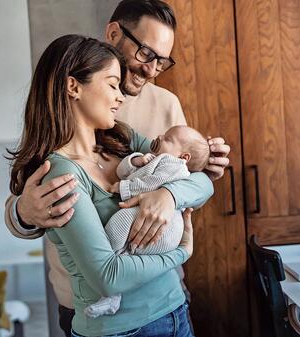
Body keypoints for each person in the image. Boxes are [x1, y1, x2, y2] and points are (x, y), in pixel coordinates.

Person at [4, 1, 230, 335]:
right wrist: (23, 211)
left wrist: (169, 194)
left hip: (170, 302)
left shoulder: (127, 130)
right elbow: (105, 273)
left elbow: (195, 180)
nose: (153, 69)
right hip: (105, 315)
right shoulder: (60, 158)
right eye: (146, 54)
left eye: (162, 61)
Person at [85, 125, 210, 318]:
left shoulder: (173, 165)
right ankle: (113, 295)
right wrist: (137, 160)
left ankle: (112, 289)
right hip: (156, 224)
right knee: (125, 247)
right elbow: (122, 170)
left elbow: (151, 184)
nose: (159, 136)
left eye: (168, 139)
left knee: (119, 222)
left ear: (184, 157)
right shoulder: (155, 158)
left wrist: (124, 188)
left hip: (166, 229)